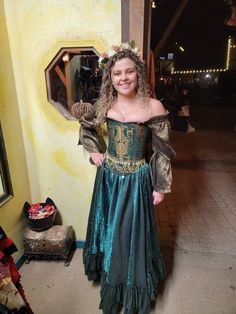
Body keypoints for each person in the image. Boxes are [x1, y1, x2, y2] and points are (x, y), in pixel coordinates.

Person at [78, 42, 175, 314]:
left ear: (138, 74)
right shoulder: (104, 104)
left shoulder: (153, 106)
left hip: (136, 180)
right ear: (110, 77)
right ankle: (111, 274)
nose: (123, 78)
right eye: (117, 73)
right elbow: (86, 127)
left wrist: (160, 186)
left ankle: (130, 284)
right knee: (109, 230)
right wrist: (94, 151)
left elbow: (162, 150)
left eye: (129, 72)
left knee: (129, 234)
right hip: (108, 179)